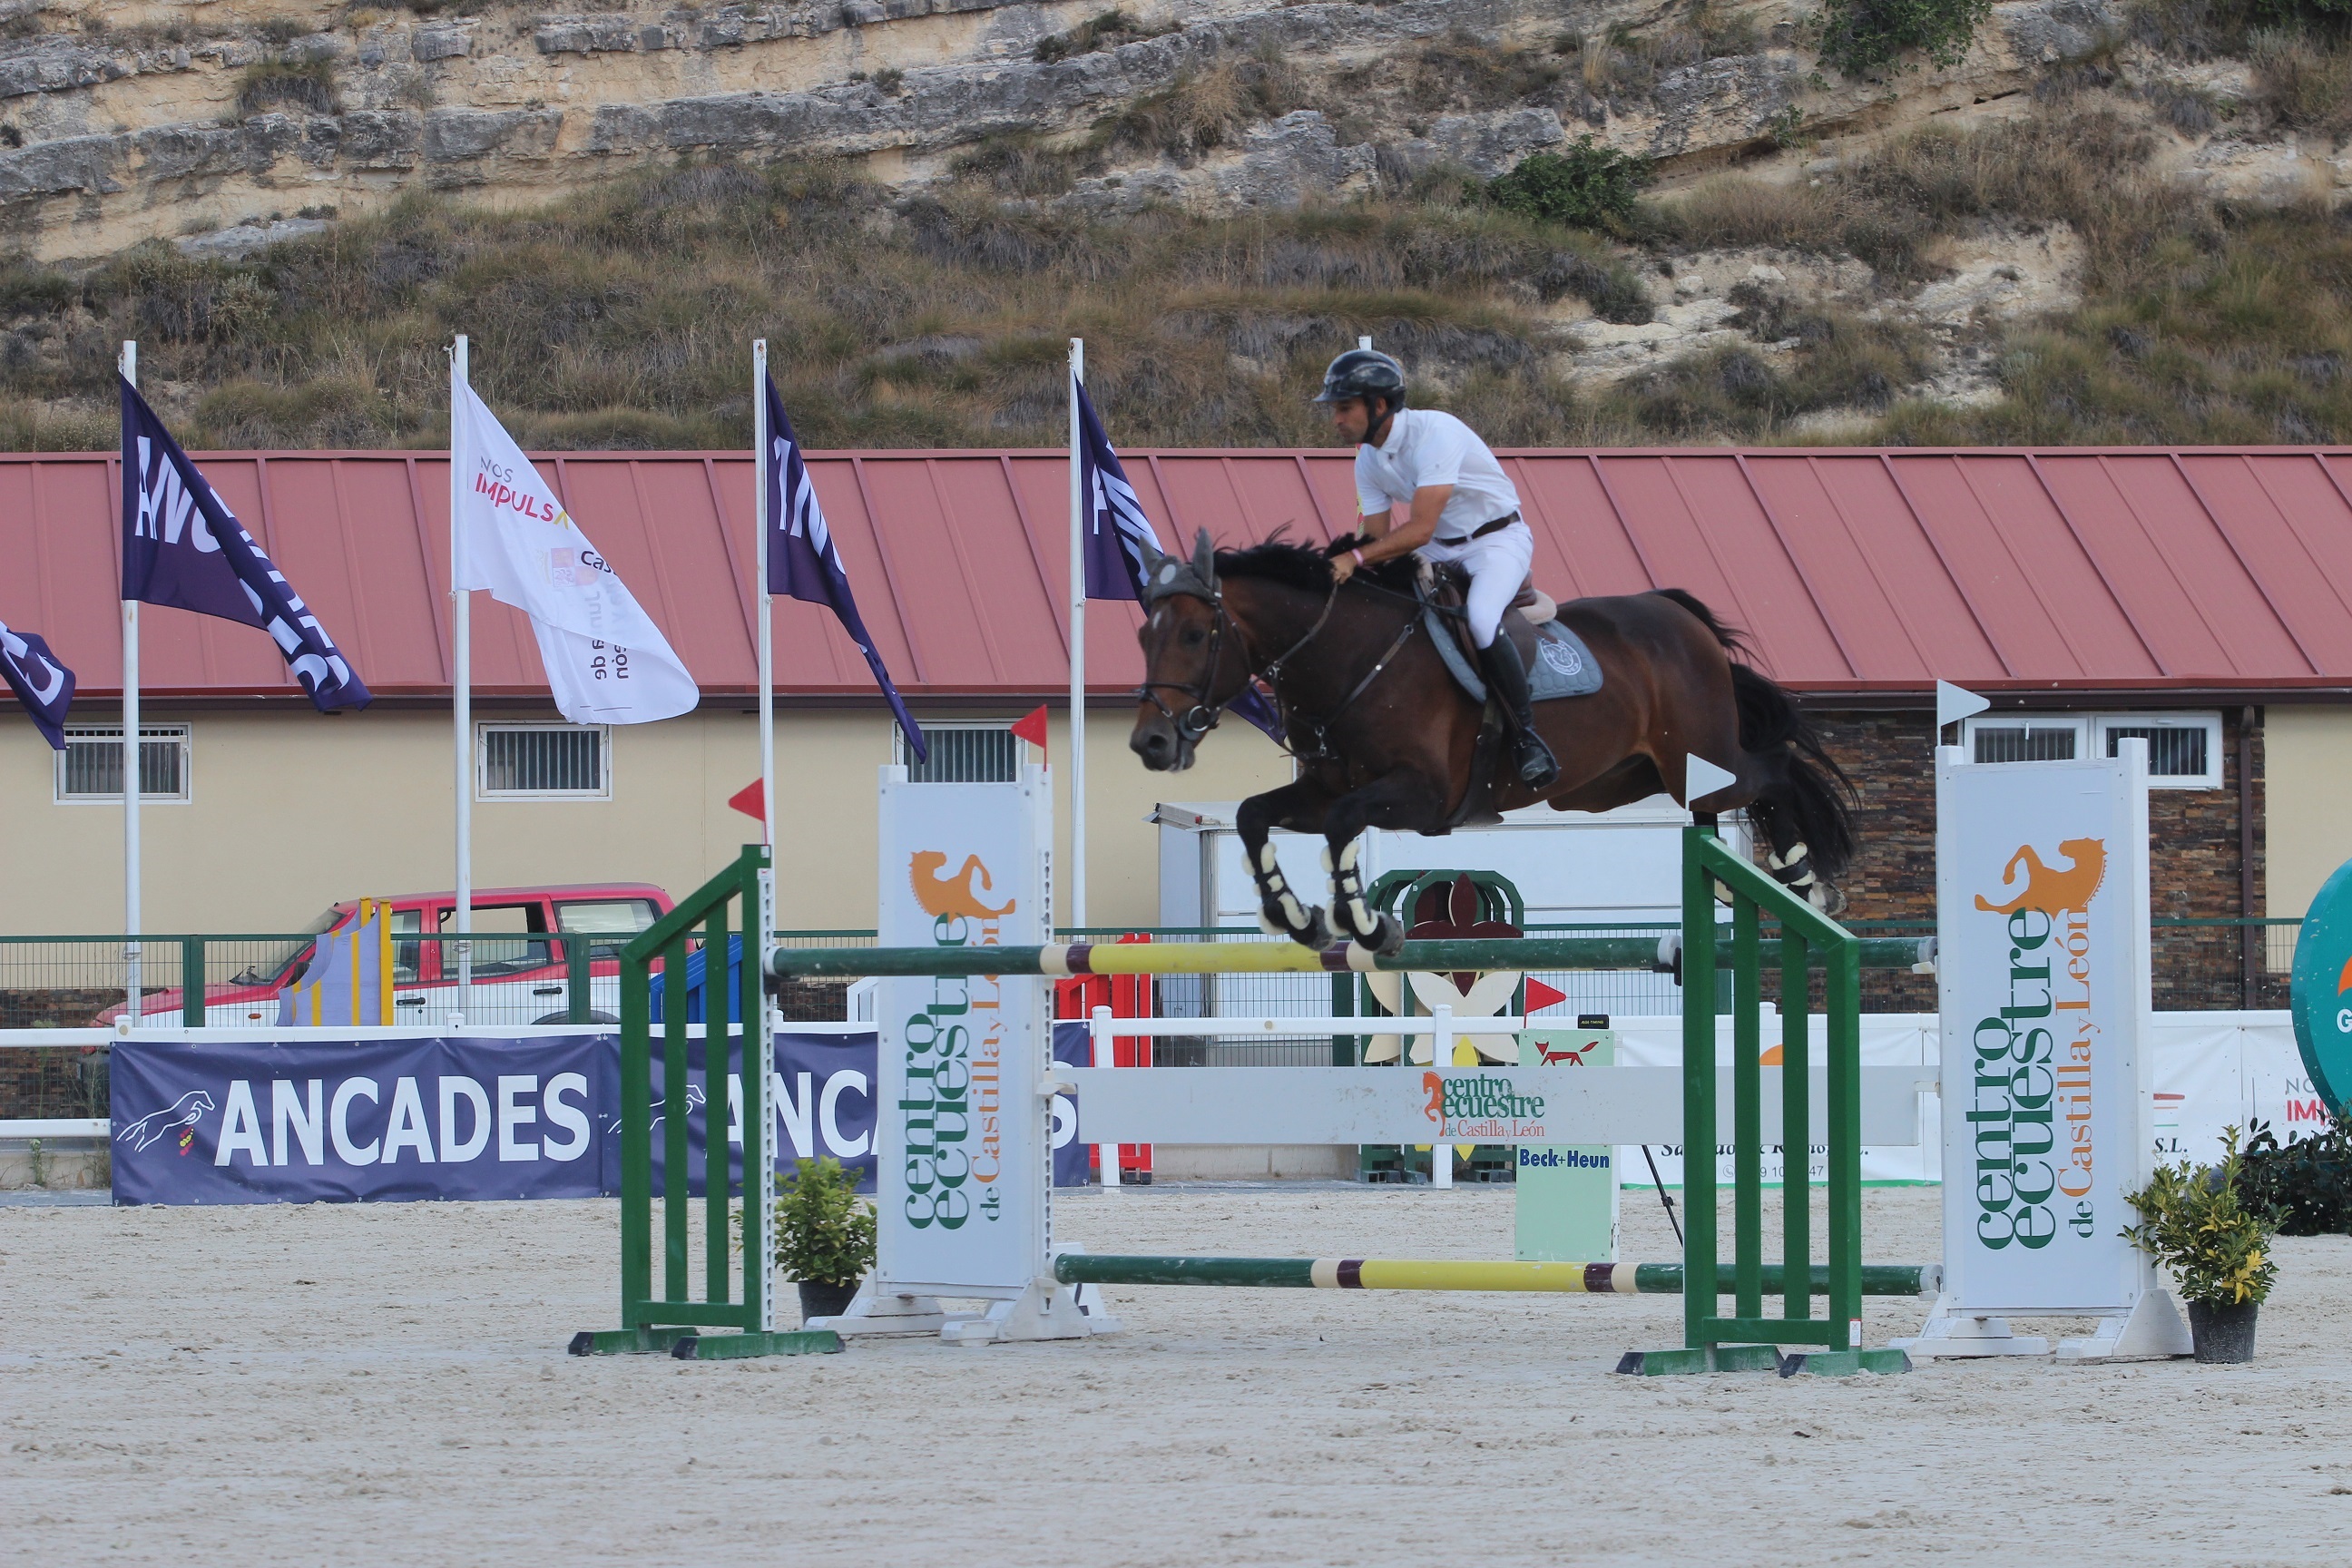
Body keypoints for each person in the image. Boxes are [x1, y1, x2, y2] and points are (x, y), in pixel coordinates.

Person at [1317, 348, 1559, 789]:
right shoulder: (1368, 458)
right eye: (1334, 409)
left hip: (1496, 541)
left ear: (1380, 405)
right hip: (1441, 549)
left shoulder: (1437, 433)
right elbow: (1375, 540)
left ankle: (1527, 737)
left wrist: (1352, 560)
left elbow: (1420, 527)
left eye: (1344, 407)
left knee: (1482, 620)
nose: (1336, 419)